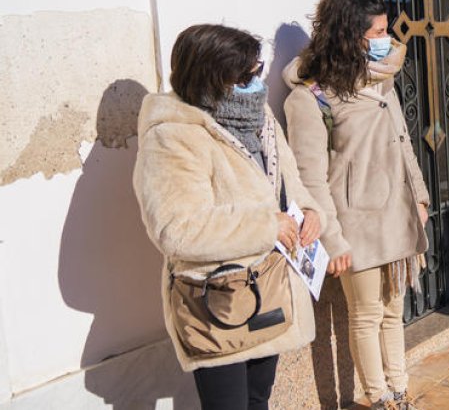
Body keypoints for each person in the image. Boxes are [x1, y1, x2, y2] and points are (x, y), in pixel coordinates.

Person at [133, 24, 324, 410]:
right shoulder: (172, 136)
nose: (258, 83)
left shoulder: (258, 115)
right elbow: (177, 229)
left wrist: (308, 210)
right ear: (212, 79)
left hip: (270, 283)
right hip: (219, 299)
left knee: (258, 398)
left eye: (258, 70)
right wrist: (265, 227)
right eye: (246, 76)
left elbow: (286, 178)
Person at [283, 0, 430, 410]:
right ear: (349, 36)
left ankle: (400, 390)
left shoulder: (382, 80)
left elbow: (403, 142)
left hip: (397, 214)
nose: (387, 39)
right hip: (356, 222)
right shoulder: (310, 97)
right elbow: (310, 178)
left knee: (393, 310)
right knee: (365, 314)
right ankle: (377, 398)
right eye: (378, 32)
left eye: (386, 29)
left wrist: (420, 198)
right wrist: (332, 239)